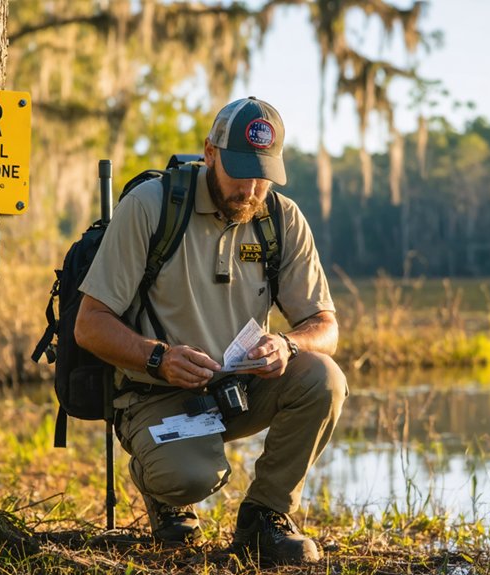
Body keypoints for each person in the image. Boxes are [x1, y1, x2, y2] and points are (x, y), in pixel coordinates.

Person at [74, 96, 347, 564]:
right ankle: (164, 492)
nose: (251, 189)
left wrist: (287, 344)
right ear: (210, 153)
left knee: (324, 379)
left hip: (238, 391)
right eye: (240, 171)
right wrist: (159, 358)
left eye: (263, 175)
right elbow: (90, 324)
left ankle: (265, 518)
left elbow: (325, 327)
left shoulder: (281, 219)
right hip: (156, 393)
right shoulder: (151, 207)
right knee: (193, 478)